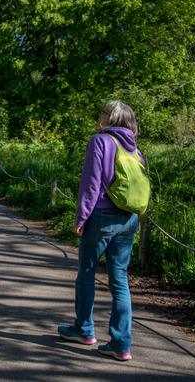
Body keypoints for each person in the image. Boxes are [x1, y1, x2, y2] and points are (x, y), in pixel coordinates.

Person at [57, 100, 143, 362]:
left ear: (112, 118)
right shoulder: (134, 148)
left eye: (102, 112)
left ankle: (83, 330)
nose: (99, 115)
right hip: (129, 218)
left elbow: (91, 183)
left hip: (102, 216)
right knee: (119, 280)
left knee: (86, 273)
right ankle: (121, 344)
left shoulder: (100, 141)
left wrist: (81, 217)